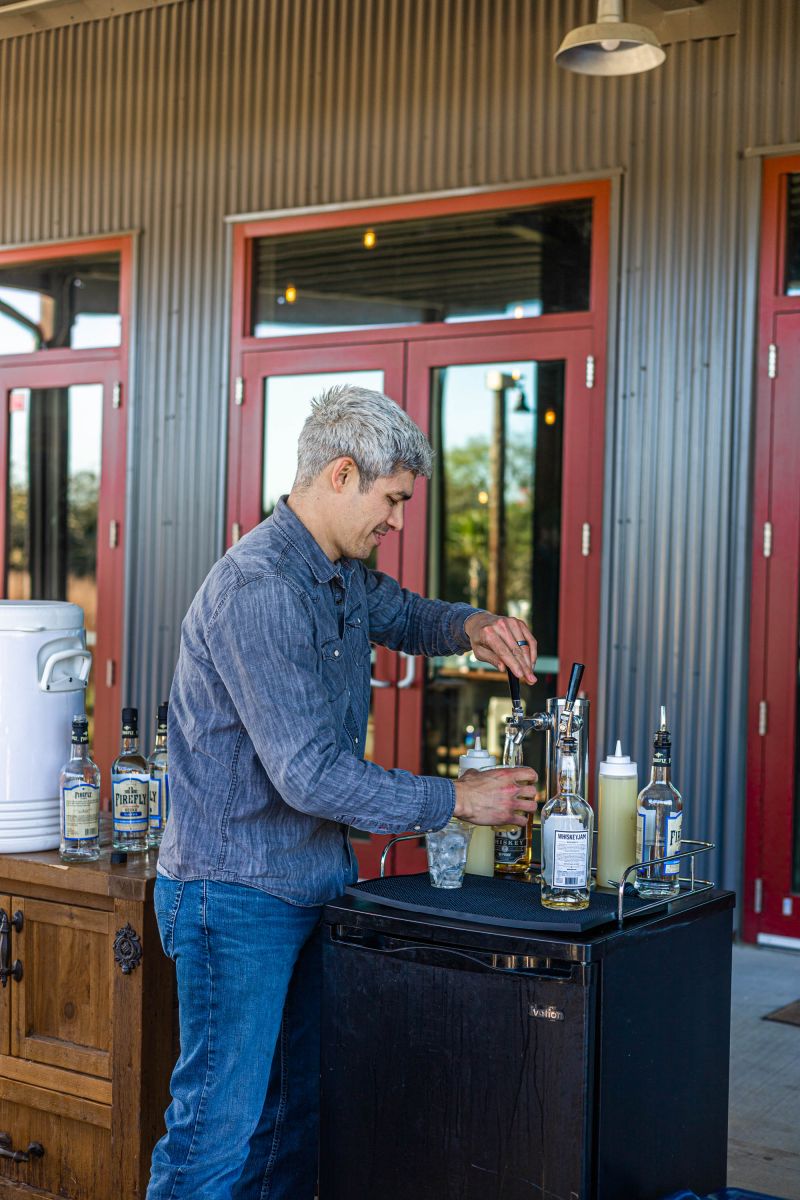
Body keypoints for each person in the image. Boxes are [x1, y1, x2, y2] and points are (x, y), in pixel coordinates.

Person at [147, 384, 539, 1199]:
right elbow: (310, 776)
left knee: (294, 1125)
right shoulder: (258, 589)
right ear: (341, 473)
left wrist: (472, 625)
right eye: (391, 500)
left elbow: (409, 616)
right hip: (234, 896)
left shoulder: (339, 573)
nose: (396, 520)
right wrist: (458, 800)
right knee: (215, 1136)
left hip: (309, 886)